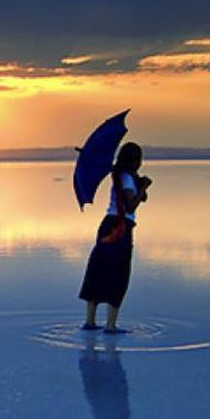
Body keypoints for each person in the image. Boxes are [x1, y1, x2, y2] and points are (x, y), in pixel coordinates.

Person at [78, 142, 151, 334]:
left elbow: (138, 198)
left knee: (98, 269)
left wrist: (141, 186)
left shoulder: (123, 176)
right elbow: (130, 207)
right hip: (120, 228)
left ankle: (90, 321)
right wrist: (142, 187)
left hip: (108, 225)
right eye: (139, 158)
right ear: (134, 160)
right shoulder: (126, 178)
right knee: (118, 273)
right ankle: (110, 325)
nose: (141, 162)